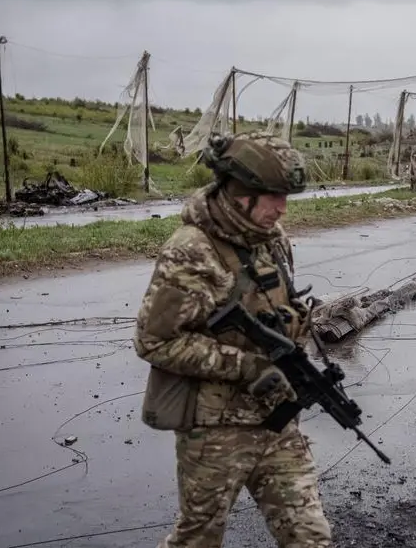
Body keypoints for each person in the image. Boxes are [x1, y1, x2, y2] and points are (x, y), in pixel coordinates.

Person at [133, 131, 333, 548]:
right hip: (215, 431)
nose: (282, 208)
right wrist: (247, 367)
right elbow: (155, 341)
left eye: (285, 197)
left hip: (277, 420)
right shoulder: (191, 250)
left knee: (310, 537)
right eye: (273, 196)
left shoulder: (273, 241)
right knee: (198, 539)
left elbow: (279, 310)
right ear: (240, 193)